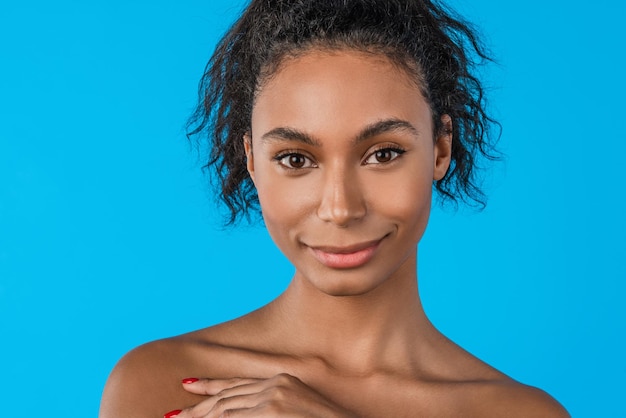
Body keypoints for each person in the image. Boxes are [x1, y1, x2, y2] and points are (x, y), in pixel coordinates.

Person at [100, 0, 569, 416]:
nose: (340, 209)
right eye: (296, 159)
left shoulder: (519, 411)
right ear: (252, 162)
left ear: (440, 149)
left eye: (383, 154)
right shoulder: (158, 383)